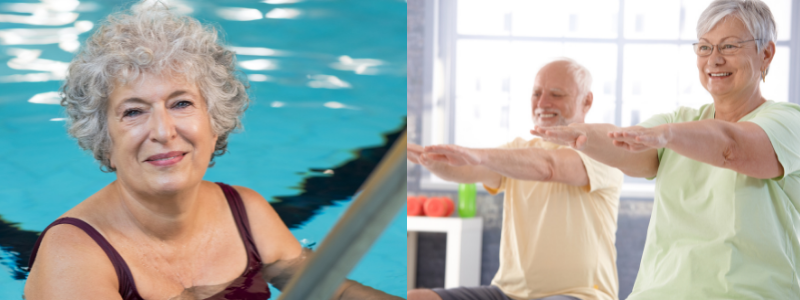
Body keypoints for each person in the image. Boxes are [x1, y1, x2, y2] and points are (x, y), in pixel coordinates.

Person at [22, 3, 399, 300]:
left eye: (181, 104)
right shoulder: (72, 255)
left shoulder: (247, 213)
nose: (164, 131)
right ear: (104, 138)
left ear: (214, 120)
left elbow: (335, 291)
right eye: (133, 112)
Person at [532, 0, 800, 298]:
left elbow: (732, 147)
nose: (714, 59)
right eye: (705, 47)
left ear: (766, 54)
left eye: (729, 47)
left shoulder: (788, 122)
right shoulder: (679, 121)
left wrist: (665, 136)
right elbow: (631, 150)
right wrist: (584, 137)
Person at [407, 58, 624, 300]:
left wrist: (478, 155)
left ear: (587, 101)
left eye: (556, 94)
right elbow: (469, 171)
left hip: (578, 294)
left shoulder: (602, 148)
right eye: (536, 93)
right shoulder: (517, 151)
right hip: (507, 293)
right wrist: (429, 160)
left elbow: (548, 167)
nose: (542, 103)